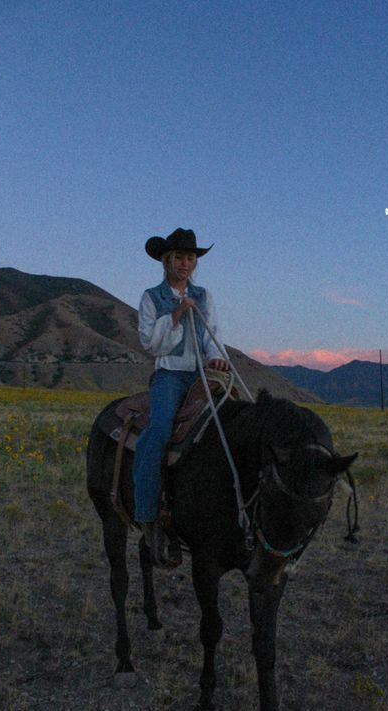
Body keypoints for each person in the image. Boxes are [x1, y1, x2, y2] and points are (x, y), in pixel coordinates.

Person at [133, 227, 229, 566]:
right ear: (166, 260)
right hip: (171, 374)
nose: (185, 263)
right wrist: (175, 314)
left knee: (231, 427)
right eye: (179, 257)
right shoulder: (151, 297)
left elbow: (211, 334)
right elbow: (150, 343)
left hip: (203, 372)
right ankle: (146, 515)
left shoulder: (204, 296)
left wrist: (217, 357)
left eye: (190, 258)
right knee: (158, 430)